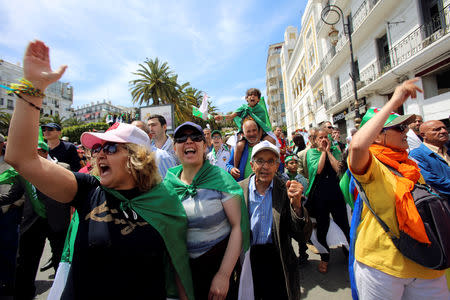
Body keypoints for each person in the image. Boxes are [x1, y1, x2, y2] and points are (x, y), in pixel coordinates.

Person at [4, 40, 193, 300]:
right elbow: (21, 158)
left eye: (112, 148)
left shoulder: (166, 201)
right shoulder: (87, 190)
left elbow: (178, 269)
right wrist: (32, 90)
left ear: (137, 158)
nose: (100, 153)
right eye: (98, 148)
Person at [348, 78, 449, 299]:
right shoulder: (370, 164)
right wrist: (394, 100)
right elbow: (356, 145)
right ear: (377, 135)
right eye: (399, 127)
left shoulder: (410, 164)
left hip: (426, 259)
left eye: (406, 126)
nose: (407, 131)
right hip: (382, 264)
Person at [164, 121, 250, 300]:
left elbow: (237, 227)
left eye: (195, 137)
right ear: (174, 147)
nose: (189, 141)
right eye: (181, 138)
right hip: (185, 271)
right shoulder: (168, 184)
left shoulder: (221, 179)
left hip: (218, 265)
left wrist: (224, 275)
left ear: (204, 145)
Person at [238, 140, 312, 300]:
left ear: (277, 165)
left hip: (278, 259)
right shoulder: (238, 190)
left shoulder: (286, 189)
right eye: (260, 161)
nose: (265, 167)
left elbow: (301, 236)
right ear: (252, 165)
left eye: (270, 161)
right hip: (249, 260)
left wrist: (297, 205)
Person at [305, 129, 349, 273]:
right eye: (320, 137)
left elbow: (338, 169)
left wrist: (329, 151)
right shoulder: (311, 153)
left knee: (344, 224)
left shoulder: (335, 150)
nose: (323, 139)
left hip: (336, 194)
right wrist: (323, 152)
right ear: (315, 140)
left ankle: (349, 252)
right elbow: (317, 170)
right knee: (322, 228)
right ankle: (325, 257)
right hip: (319, 197)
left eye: (325, 137)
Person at [215, 88, 275, 169]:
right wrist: (222, 117)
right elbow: (231, 116)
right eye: (250, 95)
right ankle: (236, 167)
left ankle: (274, 165)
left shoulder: (261, 110)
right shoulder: (243, 108)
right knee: (240, 145)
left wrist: (257, 140)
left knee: (272, 140)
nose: (252, 97)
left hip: (258, 132)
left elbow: (261, 125)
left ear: (258, 99)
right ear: (246, 98)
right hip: (244, 132)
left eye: (255, 95)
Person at [410, 120, 450, 197]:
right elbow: (429, 180)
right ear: (423, 135)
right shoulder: (417, 155)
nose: (444, 131)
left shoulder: (447, 149)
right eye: (437, 129)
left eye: (444, 128)